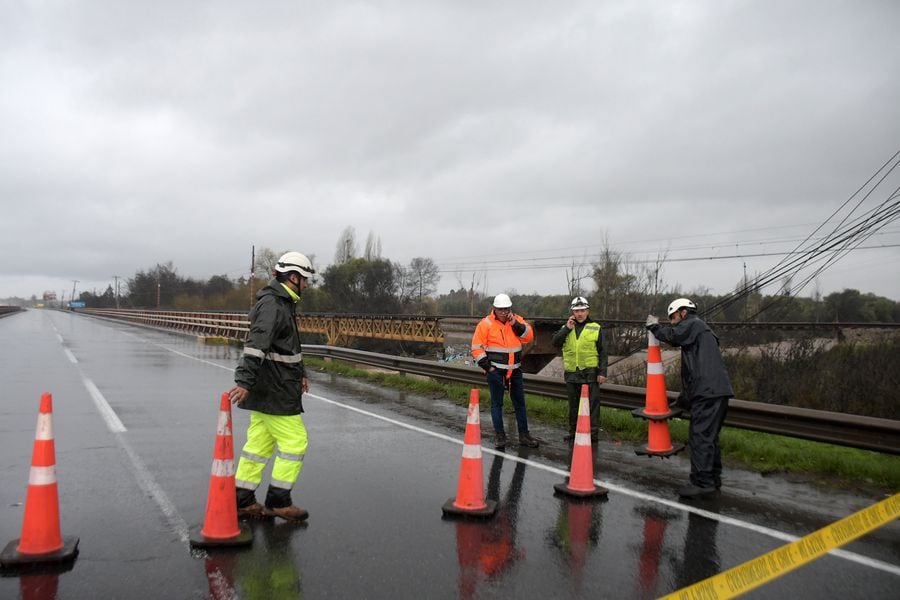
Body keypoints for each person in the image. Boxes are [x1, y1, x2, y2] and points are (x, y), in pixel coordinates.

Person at [227, 251, 315, 521]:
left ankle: (242, 498)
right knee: (295, 442)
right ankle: (279, 500)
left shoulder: (282, 303)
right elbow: (257, 346)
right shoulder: (274, 305)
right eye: (305, 279)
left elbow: (285, 347)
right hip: (275, 389)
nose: (308, 285)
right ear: (293, 277)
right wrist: (244, 381)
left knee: (258, 446)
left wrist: (301, 372)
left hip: (272, 387)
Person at [645, 298, 733, 498]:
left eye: (674, 317)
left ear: (684, 312)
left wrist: (654, 327)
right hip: (717, 391)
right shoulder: (702, 331)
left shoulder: (692, 324)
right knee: (710, 438)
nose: (673, 322)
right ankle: (713, 480)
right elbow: (695, 372)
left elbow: (674, 336)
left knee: (700, 438)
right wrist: (683, 400)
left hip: (707, 392)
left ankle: (701, 484)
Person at [471, 294, 539, 449]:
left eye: (506, 309)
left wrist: (516, 325)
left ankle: (524, 436)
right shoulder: (485, 324)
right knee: (497, 404)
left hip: (515, 371)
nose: (503, 312)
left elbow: (528, 337)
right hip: (496, 371)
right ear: (495, 309)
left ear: (510, 308)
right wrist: (489, 368)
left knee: (520, 404)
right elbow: (476, 348)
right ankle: (500, 436)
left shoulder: (516, 320)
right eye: (501, 309)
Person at [551, 296, 608, 443]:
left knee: (593, 406)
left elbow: (603, 351)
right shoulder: (567, 327)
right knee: (573, 406)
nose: (580, 314)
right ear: (572, 312)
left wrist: (602, 372)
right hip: (572, 374)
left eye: (582, 310)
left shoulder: (596, 327)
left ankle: (593, 435)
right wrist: (566, 329)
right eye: (576, 311)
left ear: (588, 311)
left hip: (590, 373)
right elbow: (555, 342)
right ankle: (573, 432)